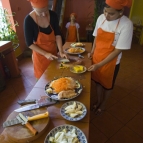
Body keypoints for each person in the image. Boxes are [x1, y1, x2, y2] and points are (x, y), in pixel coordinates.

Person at [88, 0, 133, 115]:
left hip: (111, 62)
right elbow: (96, 37)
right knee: (98, 82)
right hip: (97, 58)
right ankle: (98, 100)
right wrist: (92, 52)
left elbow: (118, 50)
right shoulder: (101, 18)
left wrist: (99, 65)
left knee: (107, 86)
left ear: (121, 12)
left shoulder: (126, 24)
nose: (106, 16)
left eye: (111, 14)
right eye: (105, 11)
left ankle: (103, 104)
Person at [24, 0, 67, 79]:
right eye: (40, 12)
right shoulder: (28, 20)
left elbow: (57, 35)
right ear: (33, 7)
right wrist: (45, 54)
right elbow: (29, 43)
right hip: (40, 57)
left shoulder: (53, 15)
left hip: (53, 54)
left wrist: (61, 51)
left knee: (55, 77)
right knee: (42, 80)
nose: (44, 14)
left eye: (46, 10)